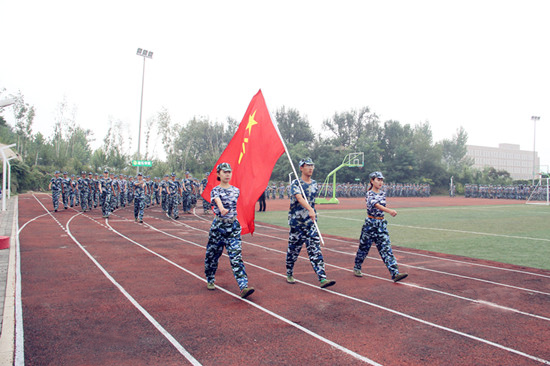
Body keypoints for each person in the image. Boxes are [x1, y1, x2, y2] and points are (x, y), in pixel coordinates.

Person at [204, 163, 254, 299]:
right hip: (218, 228)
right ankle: (210, 278)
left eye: (229, 172)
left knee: (236, 257)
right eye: (224, 172)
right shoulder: (215, 190)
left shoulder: (236, 190)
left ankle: (243, 286)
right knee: (212, 255)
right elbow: (217, 200)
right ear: (218, 174)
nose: (227, 174)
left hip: (232, 228)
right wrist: (221, 209)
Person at [286, 158, 335, 289]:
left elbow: (311, 200)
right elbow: (299, 197)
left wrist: (311, 211)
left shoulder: (314, 184)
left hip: (311, 223)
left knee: (315, 250)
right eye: (307, 166)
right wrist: (309, 209)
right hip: (297, 223)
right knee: (293, 251)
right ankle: (289, 272)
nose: (311, 168)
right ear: (301, 168)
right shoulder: (295, 183)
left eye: (312, 165)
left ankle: (322, 278)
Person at [353, 171, 408, 282]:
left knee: (386, 249)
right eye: (378, 180)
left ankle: (395, 273)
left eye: (381, 180)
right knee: (363, 248)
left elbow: (381, 205)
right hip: (370, 225)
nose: (380, 182)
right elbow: (376, 205)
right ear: (372, 181)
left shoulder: (382, 193)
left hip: (381, 225)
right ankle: (357, 266)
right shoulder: (369, 194)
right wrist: (390, 211)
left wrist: (387, 212)